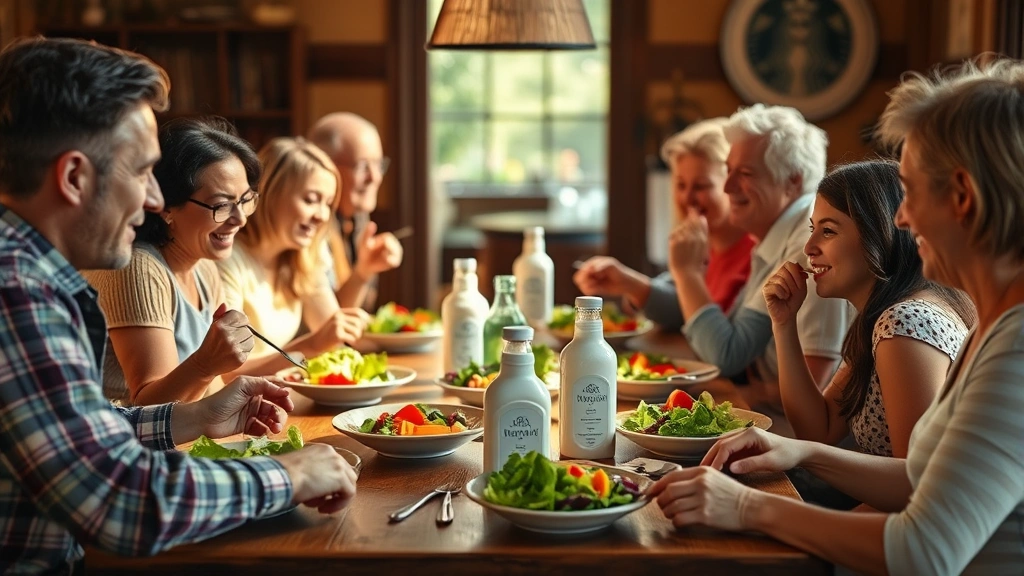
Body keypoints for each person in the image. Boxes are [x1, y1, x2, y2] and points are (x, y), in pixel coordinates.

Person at [648, 57, 1024, 575]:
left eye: (910, 190)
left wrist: (745, 507)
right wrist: (797, 452)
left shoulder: (1010, 346)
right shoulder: (995, 325)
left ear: (961, 196)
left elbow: (924, 552)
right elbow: (919, 478)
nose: (901, 217)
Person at [0, 38, 358, 574]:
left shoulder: (38, 278)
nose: (152, 199)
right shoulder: (18, 293)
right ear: (74, 178)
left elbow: (86, 433)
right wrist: (290, 476)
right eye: (142, 171)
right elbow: (119, 500)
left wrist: (195, 415)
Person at [763, 160, 973, 457]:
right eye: (813, 229)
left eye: (828, 231)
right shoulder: (882, 315)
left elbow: (915, 485)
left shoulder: (905, 324)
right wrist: (784, 324)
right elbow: (818, 429)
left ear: (880, 233)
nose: (809, 247)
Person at [84, 116, 261, 405]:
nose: (239, 219)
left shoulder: (204, 266)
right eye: (221, 205)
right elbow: (149, 406)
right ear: (167, 207)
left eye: (244, 200)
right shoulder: (137, 268)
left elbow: (208, 390)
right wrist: (207, 363)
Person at [573, 118, 755, 329]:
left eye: (701, 186)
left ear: (731, 184)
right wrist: (627, 283)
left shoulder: (754, 254)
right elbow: (682, 304)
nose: (687, 198)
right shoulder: (704, 244)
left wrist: (633, 285)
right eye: (681, 185)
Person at [217, 137, 369, 370]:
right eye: (310, 200)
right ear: (270, 194)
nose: (322, 216)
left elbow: (333, 340)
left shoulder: (305, 255)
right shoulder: (228, 259)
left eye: (328, 204)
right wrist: (312, 345)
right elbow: (225, 373)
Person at [308, 112, 403, 309]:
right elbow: (328, 320)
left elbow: (358, 308)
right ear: (325, 167)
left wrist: (367, 269)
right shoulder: (309, 225)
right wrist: (363, 272)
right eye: (362, 166)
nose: (375, 177)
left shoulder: (358, 218)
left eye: (378, 164)